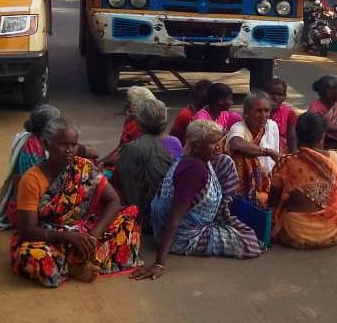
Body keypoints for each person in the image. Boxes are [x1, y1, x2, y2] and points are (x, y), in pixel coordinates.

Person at [10, 118, 141, 287]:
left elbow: (114, 201)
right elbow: (27, 229)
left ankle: (75, 260)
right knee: (33, 257)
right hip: (50, 238)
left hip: (84, 231)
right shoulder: (31, 180)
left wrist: (93, 236)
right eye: (62, 145)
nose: (69, 150)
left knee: (130, 217)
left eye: (73, 145)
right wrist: (67, 237)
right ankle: (76, 263)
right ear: (45, 144)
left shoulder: (84, 167)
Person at [135, 121, 261, 280]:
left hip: (177, 219)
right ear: (195, 147)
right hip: (184, 236)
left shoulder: (191, 157)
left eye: (219, 141)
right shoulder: (194, 171)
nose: (218, 146)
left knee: (225, 162)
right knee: (250, 242)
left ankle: (221, 216)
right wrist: (159, 263)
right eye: (213, 143)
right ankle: (212, 225)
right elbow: (175, 217)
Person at [0, 105, 99, 230]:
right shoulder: (42, 157)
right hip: (33, 212)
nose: (68, 149)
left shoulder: (35, 142)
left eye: (72, 144)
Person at [268, 113, 337, 249]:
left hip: (296, 233)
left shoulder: (286, 162)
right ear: (322, 136)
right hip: (332, 231)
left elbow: (273, 200)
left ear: (297, 135)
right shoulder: (336, 158)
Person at [112, 99, 178, 227]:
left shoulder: (132, 148)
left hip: (140, 217)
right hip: (165, 215)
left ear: (138, 123)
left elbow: (118, 181)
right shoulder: (175, 142)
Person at [226, 91, 280, 205]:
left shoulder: (272, 126)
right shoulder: (239, 128)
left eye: (267, 110)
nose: (264, 115)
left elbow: (274, 162)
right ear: (246, 114)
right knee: (242, 156)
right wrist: (268, 152)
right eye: (258, 111)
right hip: (240, 185)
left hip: (266, 181)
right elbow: (236, 143)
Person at [100, 86, 156, 174]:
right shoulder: (129, 121)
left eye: (129, 102)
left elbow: (126, 155)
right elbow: (119, 148)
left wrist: (103, 162)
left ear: (136, 105)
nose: (126, 105)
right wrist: (102, 161)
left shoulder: (140, 127)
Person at [268, 78, 298, 153]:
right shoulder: (258, 110)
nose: (276, 98)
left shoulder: (289, 113)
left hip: (282, 153)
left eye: (280, 95)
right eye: (272, 94)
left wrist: (293, 157)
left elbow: (292, 138)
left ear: (284, 97)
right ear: (266, 94)